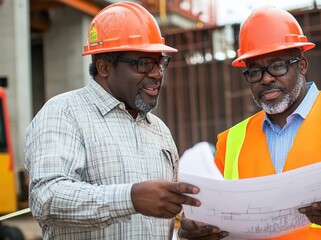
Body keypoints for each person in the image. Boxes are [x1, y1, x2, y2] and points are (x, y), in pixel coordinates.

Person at [179, 5, 321, 240]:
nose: (266, 78)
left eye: (277, 66)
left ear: (302, 65)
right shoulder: (232, 141)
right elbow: (213, 214)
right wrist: (193, 231)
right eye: (254, 71)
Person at [24, 2, 201, 239]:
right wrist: (130, 198)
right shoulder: (64, 113)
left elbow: (168, 223)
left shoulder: (159, 131)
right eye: (143, 63)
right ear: (104, 67)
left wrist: (188, 233)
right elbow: (46, 197)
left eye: (160, 62)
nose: (157, 73)